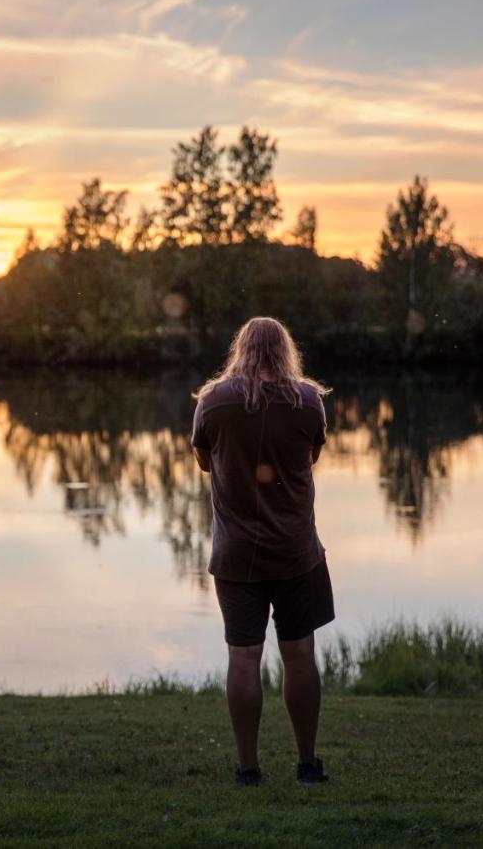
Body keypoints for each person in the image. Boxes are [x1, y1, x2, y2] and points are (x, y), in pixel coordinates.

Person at [191, 316, 334, 787]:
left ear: (241, 348)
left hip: (236, 557)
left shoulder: (213, 402)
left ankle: (249, 769)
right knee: (300, 653)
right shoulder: (309, 401)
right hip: (297, 553)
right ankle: (308, 764)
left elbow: (204, 461)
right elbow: (310, 456)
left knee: (243, 657)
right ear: (285, 350)